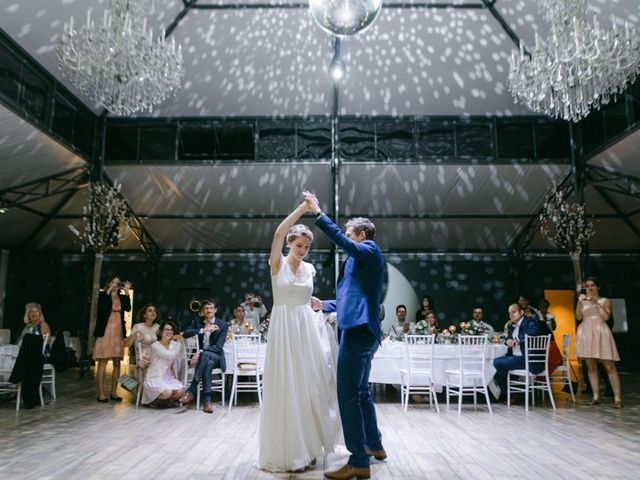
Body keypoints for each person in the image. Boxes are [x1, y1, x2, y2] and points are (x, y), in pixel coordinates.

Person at [306, 192, 386, 480]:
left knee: (347, 394)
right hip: (363, 330)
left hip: (359, 332)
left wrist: (318, 214)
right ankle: (374, 445)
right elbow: (351, 299)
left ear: (361, 235)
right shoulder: (359, 262)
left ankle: (358, 460)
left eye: (350, 232)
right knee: (361, 391)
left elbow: (341, 240)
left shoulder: (370, 250)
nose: (347, 237)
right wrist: (324, 304)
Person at [257, 201, 340, 473]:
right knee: (286, 386)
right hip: (283, 328)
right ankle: (290, 450)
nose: (302, 251)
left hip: (306, 329)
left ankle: (311, 446)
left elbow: (309, 299)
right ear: (290, 243)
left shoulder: (310, 269)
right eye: (299, 245)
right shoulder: (276, 264)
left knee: (310, 386)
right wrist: (302, 210)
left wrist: (319, 305)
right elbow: (278, 233)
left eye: (306, 247)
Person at [574, 277, 622, 408]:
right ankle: (596, 396)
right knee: (591, 366)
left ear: (598, 287)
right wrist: (579, 303)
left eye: (592, 285)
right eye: (587, 286)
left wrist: (596, 303)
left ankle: (617, 398)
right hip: (586, 332)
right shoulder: (583, 302)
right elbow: (578, 317)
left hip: (601, 331)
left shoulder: (605, 300)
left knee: (609, 366)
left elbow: (606, 317)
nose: (589, 288)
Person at [180, 299, 227, 414]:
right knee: (207, 363)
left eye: (211, 308)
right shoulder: (197, 322)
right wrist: (203, 329)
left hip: (216, 357)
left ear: (215, 310)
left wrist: (200, 352)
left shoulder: (222, 325)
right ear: (203, 311)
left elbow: (218, 347)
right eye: (206, 308)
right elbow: (185, 334)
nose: (209, 310)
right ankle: (207, 401)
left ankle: (191, 389)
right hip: (205, 360)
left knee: (206, 356)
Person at [492, 304, 542, 402]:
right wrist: (508, 341)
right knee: (497, 366)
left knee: (497, 363)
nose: (511, 315)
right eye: (509, 313)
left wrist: (517, 339)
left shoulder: (531, 321)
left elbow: (534, 331)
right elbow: (508, 337)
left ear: (522, 312)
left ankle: (509, 394)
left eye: (514, 312)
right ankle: (510, 394)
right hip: (517, 358)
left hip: (528, 358)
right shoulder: (513, 325)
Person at [94, 275, 131, 403]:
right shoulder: (104, 295)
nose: (116, 285)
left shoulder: (121, 297)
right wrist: (109, 291)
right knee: (103, 362)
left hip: (117, 331)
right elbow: (102, 308)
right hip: (105, 330)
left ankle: (114, 393)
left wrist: (126, 292)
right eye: (113, 282)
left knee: (117, 362)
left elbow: (127, 308)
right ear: (109, 283)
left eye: (118, 283)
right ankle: (101, 394)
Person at [141, 320, 186, 407]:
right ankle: (154, 400)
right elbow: (170, 355)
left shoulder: (173, 344)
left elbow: (181, 356)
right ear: (160, 332)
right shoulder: (155, 345)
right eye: (166, 329)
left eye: (171, 330)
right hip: (155, 377)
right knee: (167, 392)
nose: (168, 332)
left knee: (181, 390)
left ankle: (165, 401)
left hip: (167, 377)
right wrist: (180, 343)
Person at [124, 303, 160, 368]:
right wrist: (135, 334)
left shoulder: (157, 327)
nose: (153, 312)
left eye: (154, 311)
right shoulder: (138, 326)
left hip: (154, 359)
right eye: (150, 311)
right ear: (144, 315)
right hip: (141, 359)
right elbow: (126, 344)